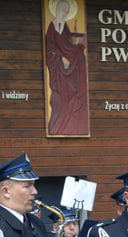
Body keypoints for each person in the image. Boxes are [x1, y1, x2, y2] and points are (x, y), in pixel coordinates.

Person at [44, 0, 89, 136]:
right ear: (58, 10)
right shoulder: (52, 27)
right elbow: (50, 48)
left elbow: (68, 44)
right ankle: (58, 127)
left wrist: (78, 47)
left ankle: (75, 126)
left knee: (80, 55)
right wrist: (61, 58)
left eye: (67, 11)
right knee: (60, 101)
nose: (65, 13)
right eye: (64, 10)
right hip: (59, 70)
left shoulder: (65, 26)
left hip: (70, 70)